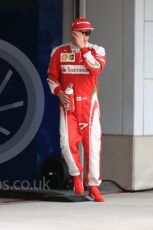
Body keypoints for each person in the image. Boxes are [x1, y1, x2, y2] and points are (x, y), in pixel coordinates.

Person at [47, 18, 106, 202]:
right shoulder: (58, 52)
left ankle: (94, 185)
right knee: (66, 143)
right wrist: (59, 92)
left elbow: (95, 69)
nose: (86, 36)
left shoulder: (97, 50)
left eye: (88, 33)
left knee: (93, 146)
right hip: (68, 106)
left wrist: (83, 49)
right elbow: (51, 78)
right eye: (83, 33)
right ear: (74, 33)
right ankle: (76, 176)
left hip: (89, 107)